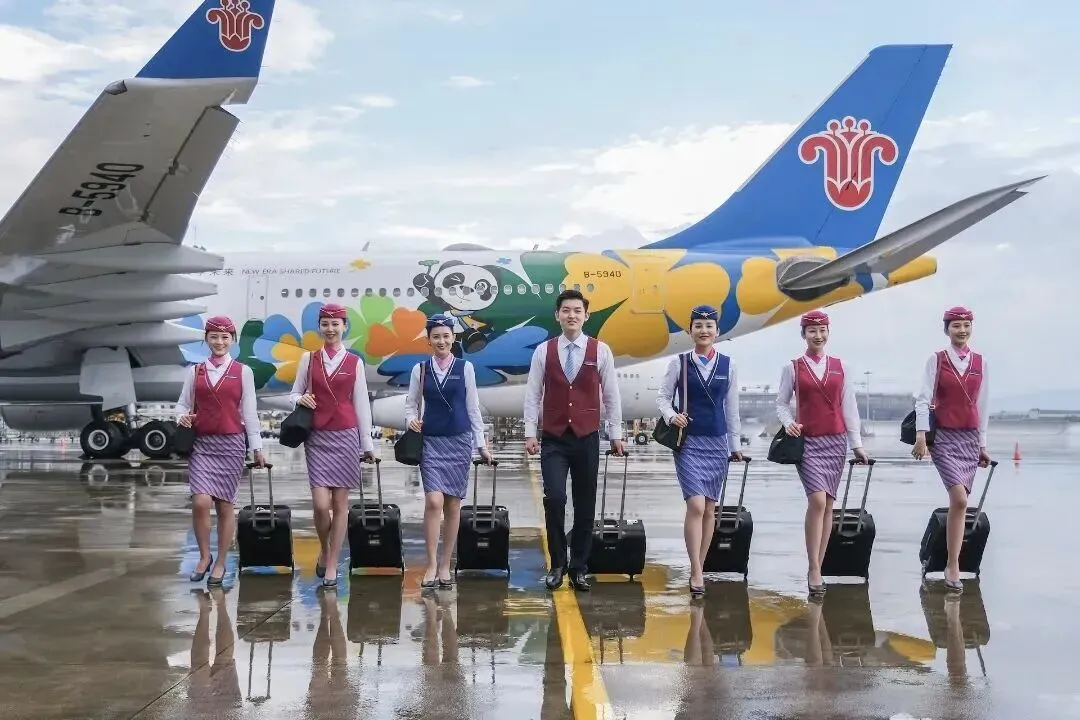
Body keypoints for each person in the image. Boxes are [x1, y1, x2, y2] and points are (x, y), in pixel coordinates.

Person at [524, 288, 625, 592]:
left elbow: (611, 395)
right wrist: (530, 432)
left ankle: (579, 567)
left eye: (577, 311)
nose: (572, 315)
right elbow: (533, 393)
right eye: (566, 310)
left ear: (586, 316)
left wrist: (616, 434)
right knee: (555, 498)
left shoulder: (600, 350)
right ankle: (558, 564)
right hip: (554, 438)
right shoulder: (544, 351)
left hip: (587, 437)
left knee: (585, 504)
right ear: (557, 315)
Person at [775, 310, 868, 597]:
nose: (818, 335)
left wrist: (856, 444)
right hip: (808, 442)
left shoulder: (841, 367)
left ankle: (819, 562)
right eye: (812, 330)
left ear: (828, 332)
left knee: (828, 504)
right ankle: (813, 568)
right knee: (816, 500)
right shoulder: (793, 367)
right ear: (804, 334)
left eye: (822, 330)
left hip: (835, 441)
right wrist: (788, 423)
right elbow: (781, 403)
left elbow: (849, 406)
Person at [656, 305, 743, 598]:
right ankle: (695, 569)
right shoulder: (679, 363)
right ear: (690, 330)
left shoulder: (728, 365)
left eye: (709, 326)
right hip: (689, 442)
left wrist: (735, 446)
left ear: (717, 331)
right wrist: (672, 416)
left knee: (709, 509)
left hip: (717, 443)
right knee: (695, 505)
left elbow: (732, 409)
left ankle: (700, 565)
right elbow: (663, 397)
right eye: (698, 326)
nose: (704, 331)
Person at [290, 302, 376, 589]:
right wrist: (299, 399)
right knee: (320, 504)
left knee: (340, 505)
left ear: (344, 326)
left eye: (335, 324)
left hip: (346, 435)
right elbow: (293, 393)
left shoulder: (354, 362)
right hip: (317, 436)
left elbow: (361, 404)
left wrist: (367, 443)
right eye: (325, 324)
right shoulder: (309, 359)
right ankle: (325, 548)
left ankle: (332, 561)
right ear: (319, 327)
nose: (330, 329)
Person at [405, 314, 494, 590]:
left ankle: (445, 564)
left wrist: (481, 444)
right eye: (436, 336)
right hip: (431, 441)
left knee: (453, 505)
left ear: (453, 338)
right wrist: (410, 419)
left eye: (446, 336)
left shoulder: (465, 367)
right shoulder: (420, 370)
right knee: (434, 501)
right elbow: (410, 404)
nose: (441, 341)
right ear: (429, 340)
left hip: (459, 441)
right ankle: (431, 563)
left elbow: (473, 407)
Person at [176, 316, 265, 587]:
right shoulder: (195, 371)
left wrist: (257, 447)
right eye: (214, 336)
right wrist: (181, 417)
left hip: (231, 444)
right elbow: (181, 405)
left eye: (225, 337)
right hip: (202, 445)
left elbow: (249, 412)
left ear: (232, 340)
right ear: (206, 339)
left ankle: (221, 562)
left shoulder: (243, 372)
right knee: (200, 502)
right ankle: (205, 556)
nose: (219, 342)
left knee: (226, 506)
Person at [912, 306, 991, 593]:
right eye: (956, 325)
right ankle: (953, 565)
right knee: (959, 498)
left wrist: (982, 445)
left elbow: (983, 405)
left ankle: (952, 563)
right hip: (943, 437)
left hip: (969, 438)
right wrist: (921, 436)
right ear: (947, 329)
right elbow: (922, 399)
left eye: (966, 325)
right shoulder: (937, 359)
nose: (962, 330)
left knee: (961, 503)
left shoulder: (981, 362)